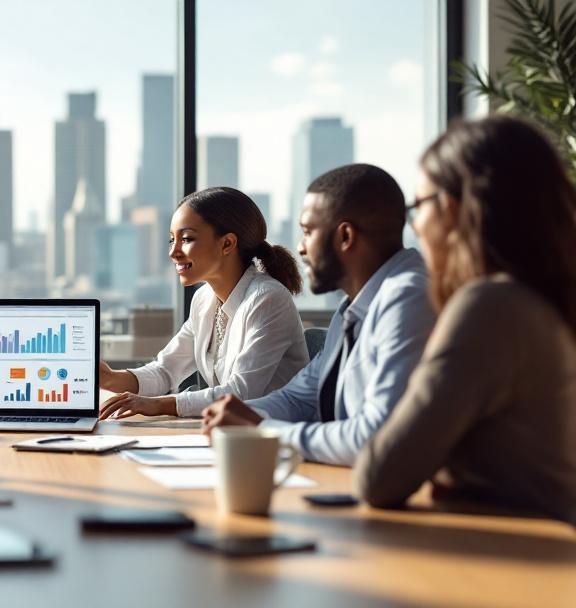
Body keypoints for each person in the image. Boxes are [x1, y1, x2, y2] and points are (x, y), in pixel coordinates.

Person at [355, 116, 576, 523]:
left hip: (522, 554)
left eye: (418, 207)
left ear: (451, 208)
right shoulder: (538, 302)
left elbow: (378, 475)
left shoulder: (491, 306)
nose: (415, 225)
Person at [201, 164, 436, 466]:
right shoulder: (352, 308)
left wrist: (262, 430)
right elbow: (301, 397)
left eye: (308, 232)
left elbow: (378, 437)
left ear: (345, 236)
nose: (300, 248)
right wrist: (240, 415)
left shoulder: (409, 299)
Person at [98, 187, 308, 419]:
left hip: (278, 434)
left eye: (186, 239)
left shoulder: (268, 299)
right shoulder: (204, 300)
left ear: (227, 244)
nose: (173, 252)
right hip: (233, 432)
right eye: (172, 240)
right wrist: (110, 378)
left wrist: (158, 405)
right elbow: (166, 370)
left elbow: (242, 393)